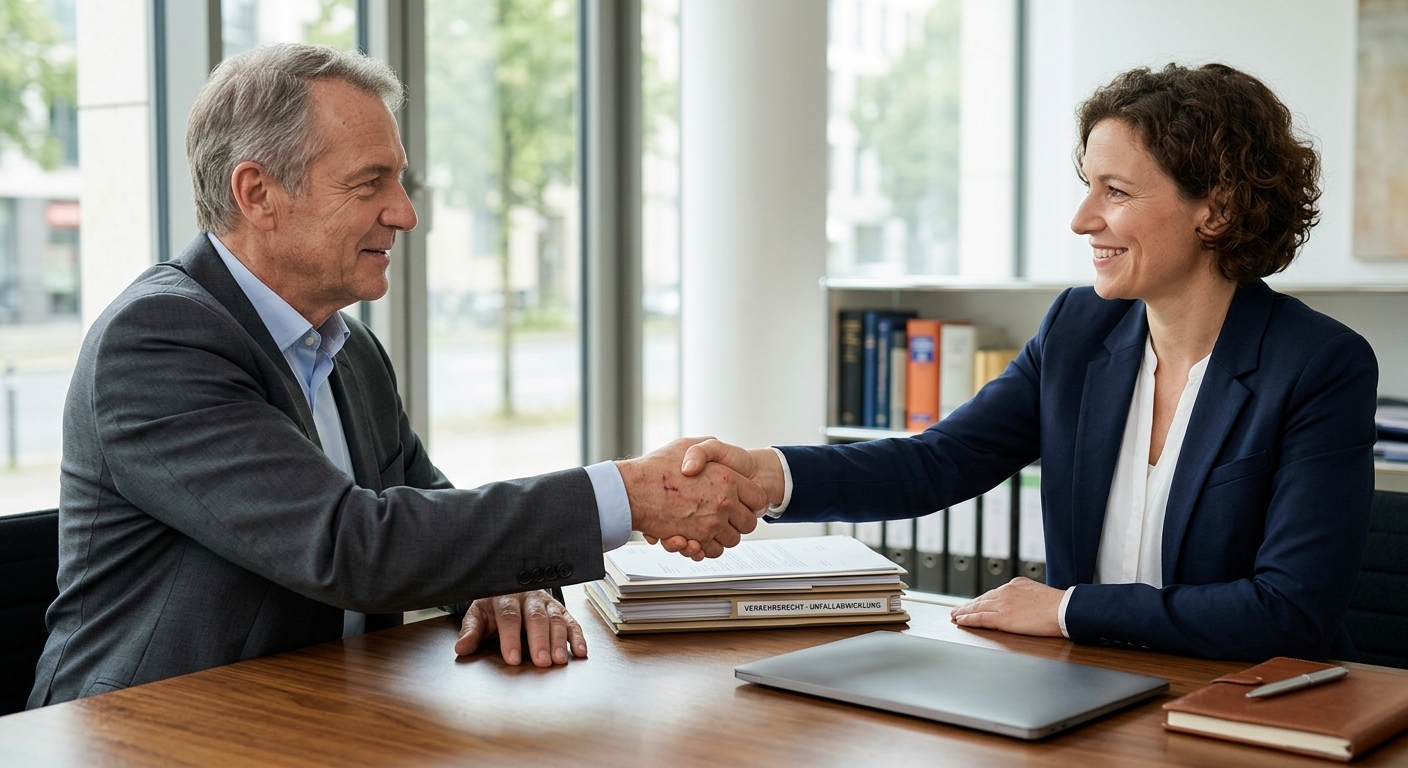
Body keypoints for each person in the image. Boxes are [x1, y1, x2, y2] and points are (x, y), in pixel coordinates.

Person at [28, 43, 764, 708]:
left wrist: (502, 585)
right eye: (369, 182)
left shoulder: (349, 349)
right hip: (146, 732)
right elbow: (351, 546)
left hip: (316, 716)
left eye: (400, 179)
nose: (405, 213)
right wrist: (629, 494)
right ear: (257, 193)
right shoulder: (158, 341)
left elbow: (432, 515)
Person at [665, 63, 1378, 662]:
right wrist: (766, 474)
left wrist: (1067, 610)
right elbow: (940, 461)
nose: (1083, 219)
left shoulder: (1319, 366)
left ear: (1215, 210)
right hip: (1088, 687)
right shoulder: (1078, 330)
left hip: (1247, 709)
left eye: (1115, 191)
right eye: (1088, 185)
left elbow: (1290, 612)